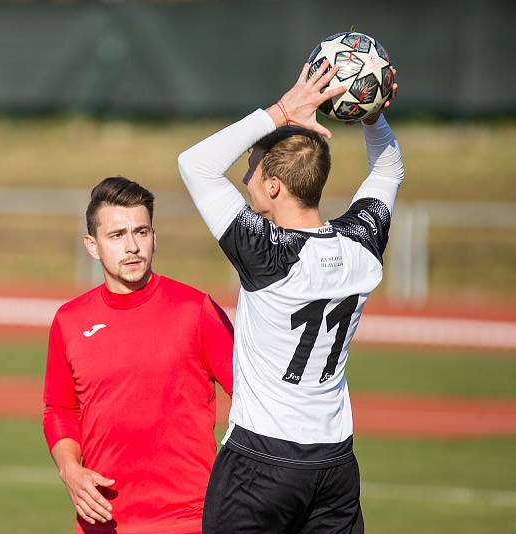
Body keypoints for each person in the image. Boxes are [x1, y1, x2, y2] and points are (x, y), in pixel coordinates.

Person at [177, 61, 403, 533]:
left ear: (275, 186)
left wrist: (282, 110)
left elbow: (194, 164)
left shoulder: (267, 254)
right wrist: (370, 112)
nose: (244, 180)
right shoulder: (361, 245)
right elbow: (389, 168)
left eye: (252, 171)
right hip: (335, 466)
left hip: (261, 461)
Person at [43, 176, 234, 534]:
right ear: (93, 245)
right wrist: (70, 470)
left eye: (141, 232)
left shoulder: (196, 310)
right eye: (117, 236)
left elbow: (253, 398)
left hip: (191, 521)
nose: (131, 246)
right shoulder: (69, 321)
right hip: (102, 521)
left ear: (154, 238)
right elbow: (60, 409)